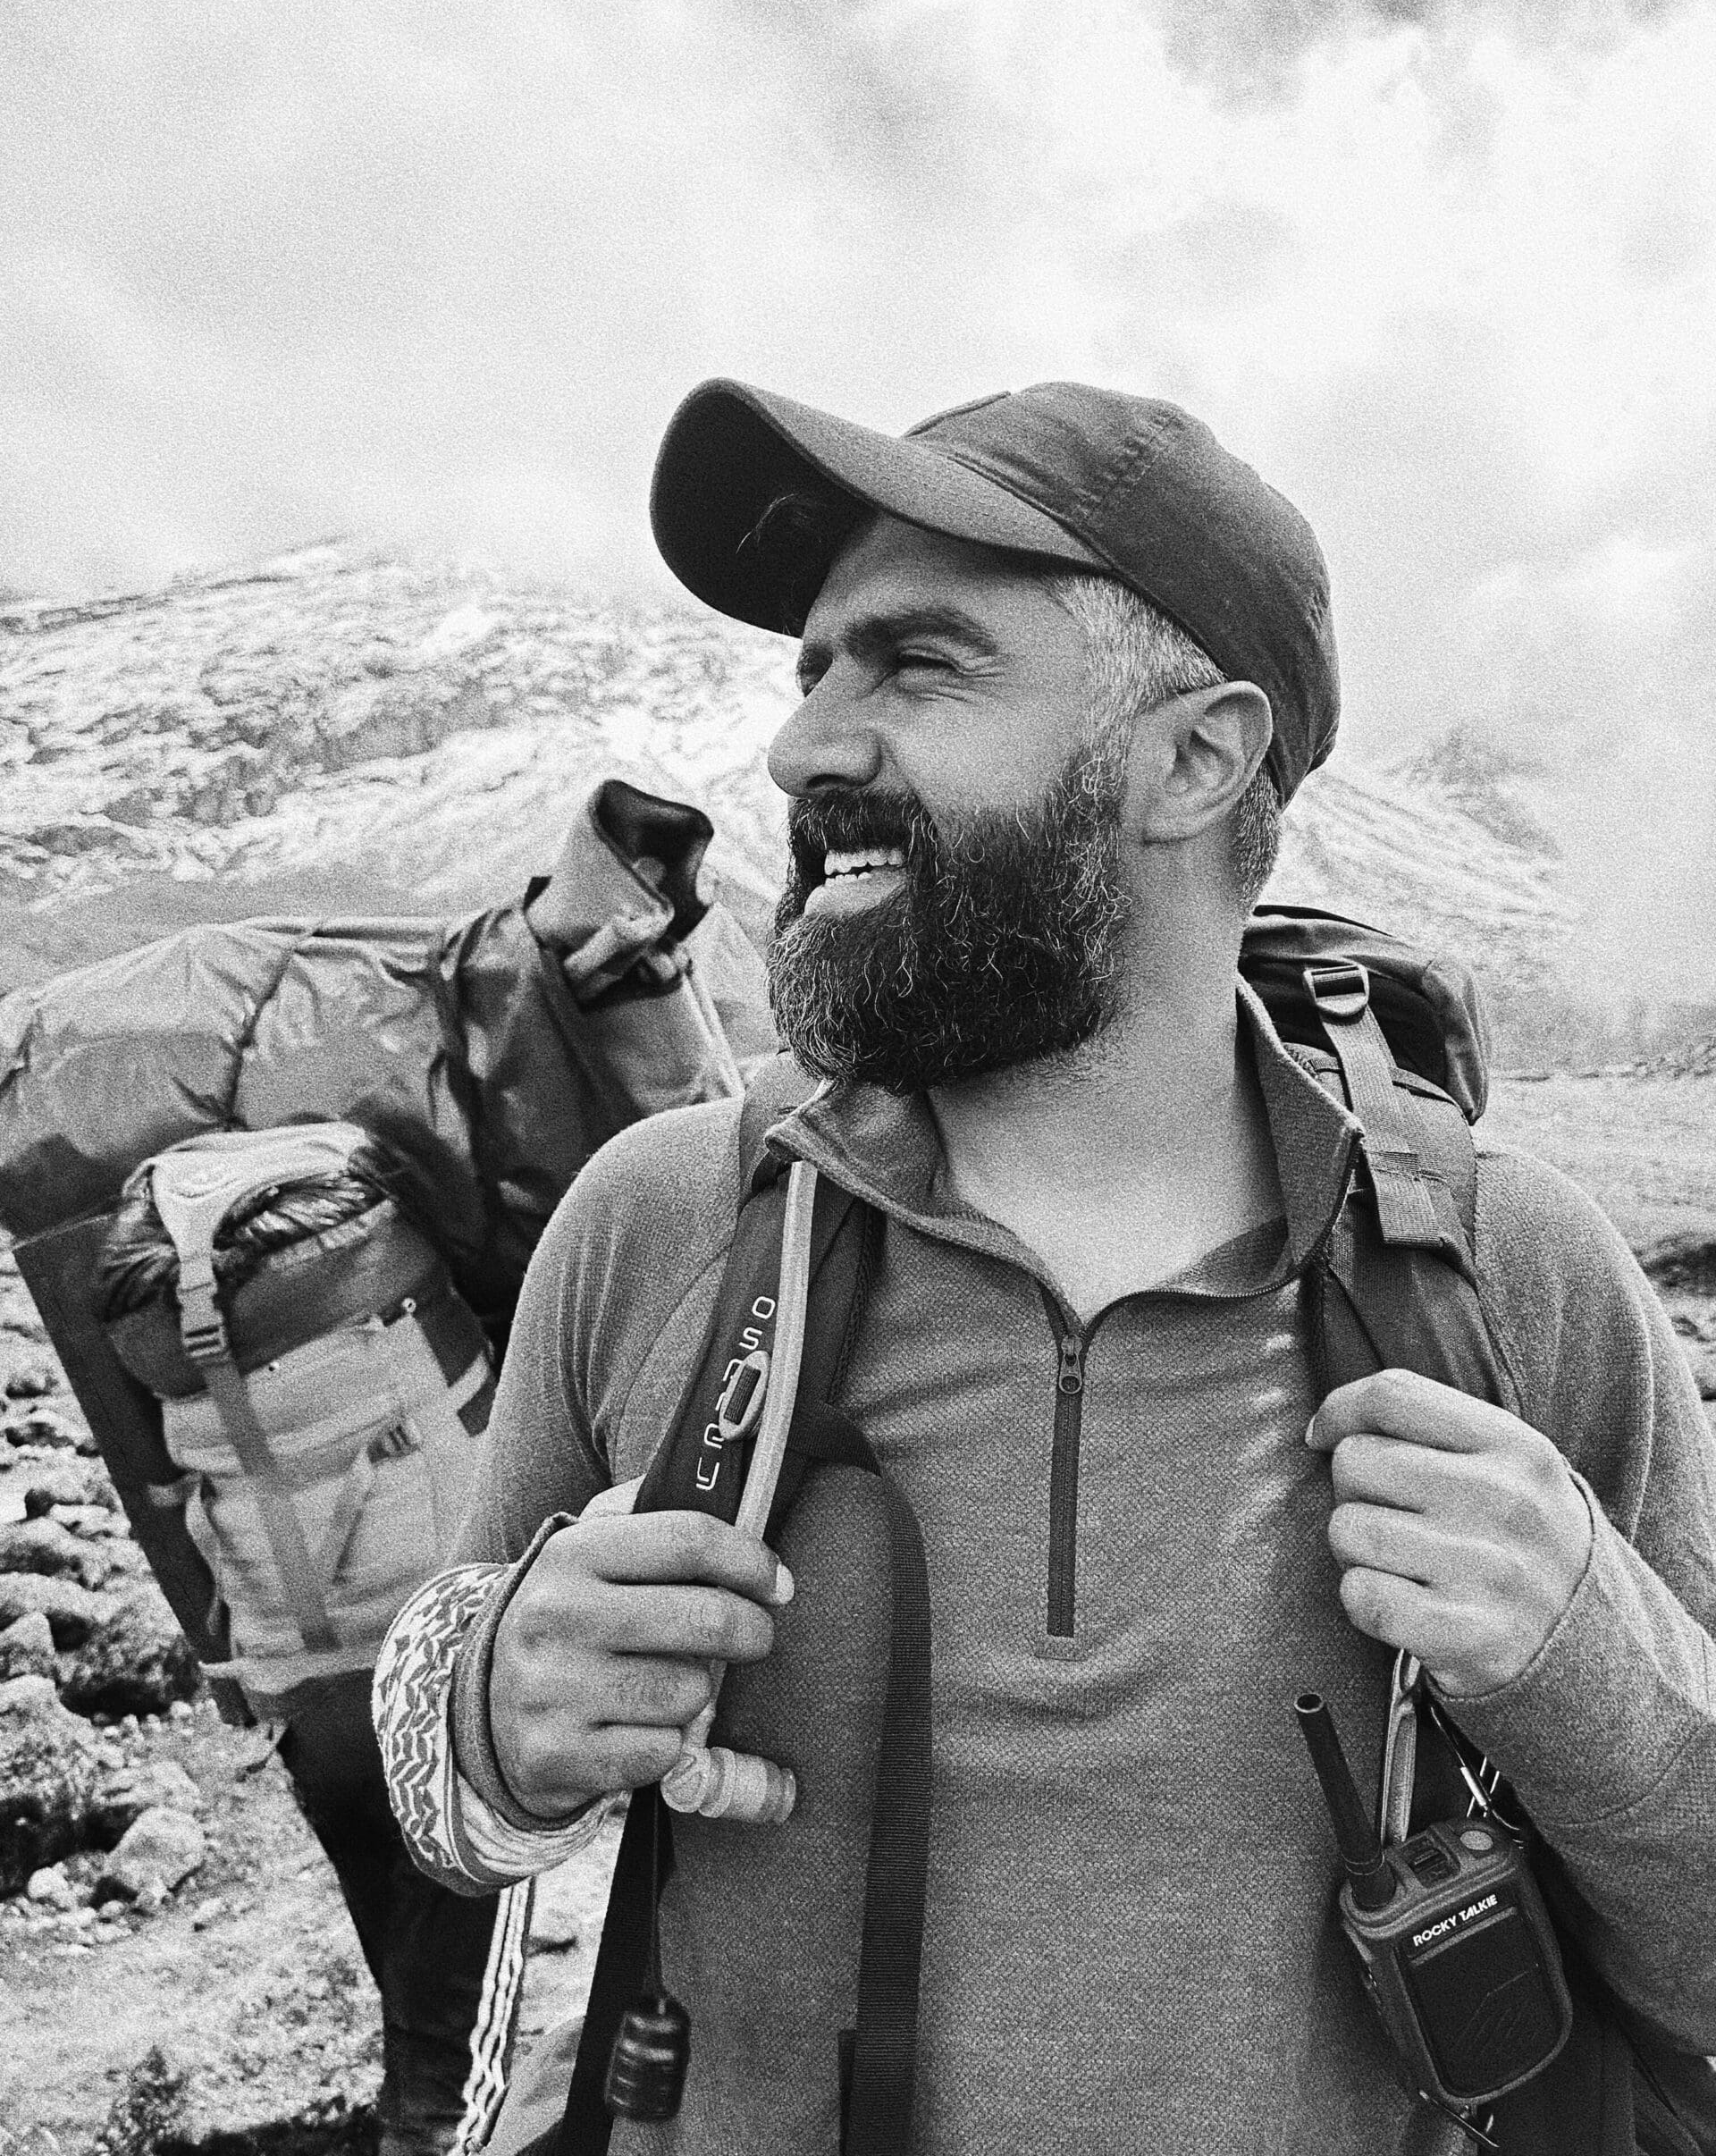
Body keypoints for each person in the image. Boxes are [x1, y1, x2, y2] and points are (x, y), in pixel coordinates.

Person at [374, 379, 1716, 2154]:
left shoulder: (1508, 1282)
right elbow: (444, 1794)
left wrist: (1588, 1663)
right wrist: (491, 1706)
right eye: (814, 671)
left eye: (916, 665)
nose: (800, 747)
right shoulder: (665, 1220)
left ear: (1194, 759)